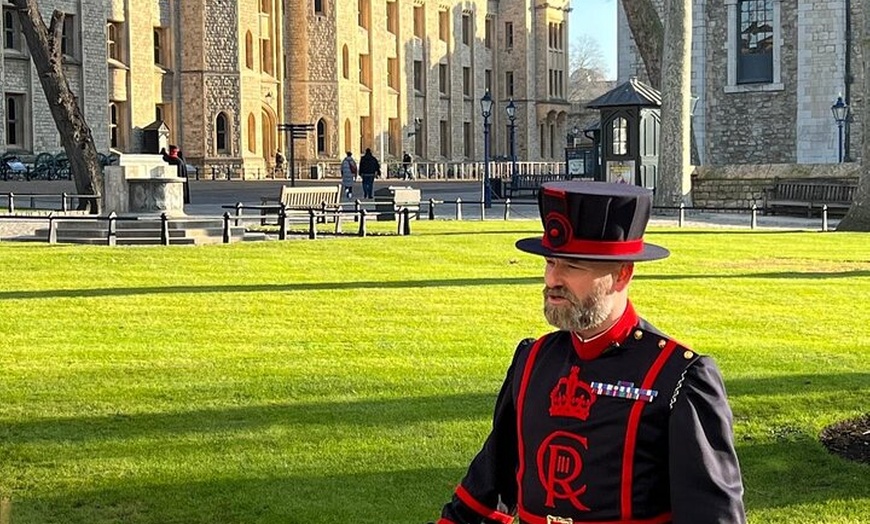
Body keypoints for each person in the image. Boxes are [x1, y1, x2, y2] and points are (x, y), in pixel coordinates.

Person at [434, 181, 746, 524]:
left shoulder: (678, 378)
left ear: (621, 275)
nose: (552, 279)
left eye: (572, 266)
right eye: (551, 262)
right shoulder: (532, 360)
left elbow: (711, 515)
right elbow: (490, 484)